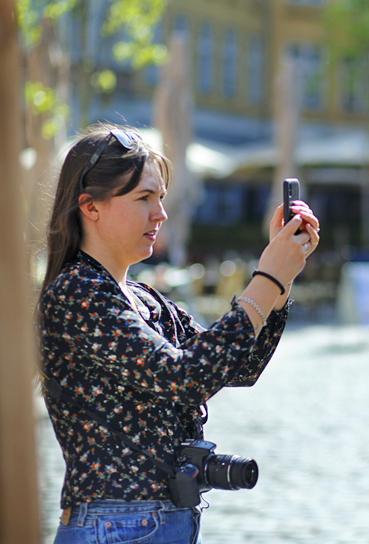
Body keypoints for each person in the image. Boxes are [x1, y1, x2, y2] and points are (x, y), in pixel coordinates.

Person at [38, 123, 320, 544]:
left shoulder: (143, 298)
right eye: (143, 198)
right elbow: (183, 378)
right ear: (90, 207)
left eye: (161, 198)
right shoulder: (77, 291)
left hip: (155, 523)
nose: (161, 213)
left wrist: (281, 279)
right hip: (114, 526)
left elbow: (235, 367)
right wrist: (268, 276)